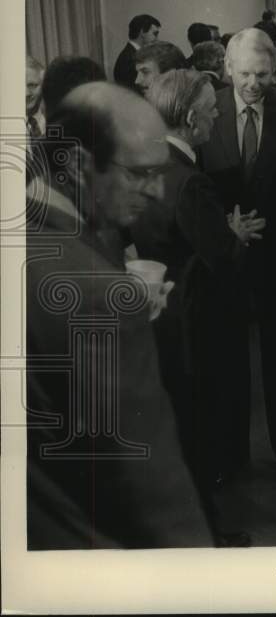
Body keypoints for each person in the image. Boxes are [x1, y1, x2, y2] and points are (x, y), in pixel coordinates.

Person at [25, 82, 213, 548]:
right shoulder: (100, 295)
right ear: (77, 164)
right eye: (139, 174)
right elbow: (156, 494)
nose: (156, 190)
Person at [130, 69, 266, 547]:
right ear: (190, 118)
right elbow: (221, 261)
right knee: (198, 430)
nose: (217, 115)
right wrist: (238, 237)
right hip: (195, 321)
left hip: (160, 316)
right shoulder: (191, 183)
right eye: (211, 109)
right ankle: (205, 533)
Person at [200, 28, 276, 494]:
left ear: (275, 71)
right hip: (224, 259)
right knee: (227, 362)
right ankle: (230, 457)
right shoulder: (208, 109)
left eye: (262, 74)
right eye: (245, 73)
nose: (253, 83)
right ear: (228, 68)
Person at [113, 13, 160, 87]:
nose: (157, 39)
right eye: (155, 34)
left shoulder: (132, 54)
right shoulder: (128, 58)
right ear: (142, 32)